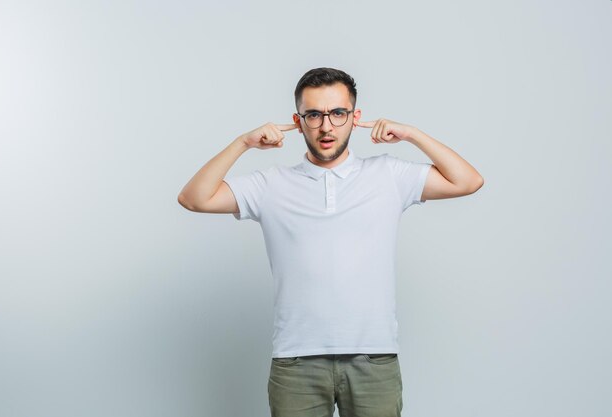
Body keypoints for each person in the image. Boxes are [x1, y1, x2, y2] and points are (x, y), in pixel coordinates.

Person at [178, 67, 483, 417]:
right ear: (298, 121)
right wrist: (243, 143)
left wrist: (412, 134)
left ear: (355, 117)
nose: (326, 126)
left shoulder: (388, 175)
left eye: (338, 113)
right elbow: (193, 198)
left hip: (374, 357)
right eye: (314, 115)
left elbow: (468, 181)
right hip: (295, 361)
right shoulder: (271, 185)